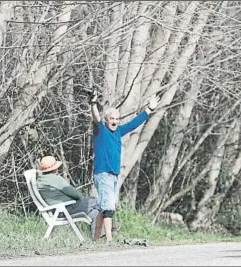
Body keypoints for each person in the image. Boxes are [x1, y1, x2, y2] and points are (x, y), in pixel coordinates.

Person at [90, 92, 160, 243]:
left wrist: (149, 109)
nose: (114, 122)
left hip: (113, 175)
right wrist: (93, 103)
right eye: (111, 119)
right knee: (108, 207)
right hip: (103, 173)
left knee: (106, 206)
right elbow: (96, 118)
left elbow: (134, 123)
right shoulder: (101, 130)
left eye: (117, 119)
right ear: (106, 120)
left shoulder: (119, 132)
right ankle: (109, 239)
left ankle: (96, 239)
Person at [36, 155, 101, 240]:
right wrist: (81, 199)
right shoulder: (55, 179)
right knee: (96, 201)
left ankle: (97, 238)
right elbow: (76, 194)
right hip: (66, 209)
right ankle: (112, 227)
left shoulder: (40, 181)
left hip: (54, 211)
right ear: (55, 169)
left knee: (95, 212)